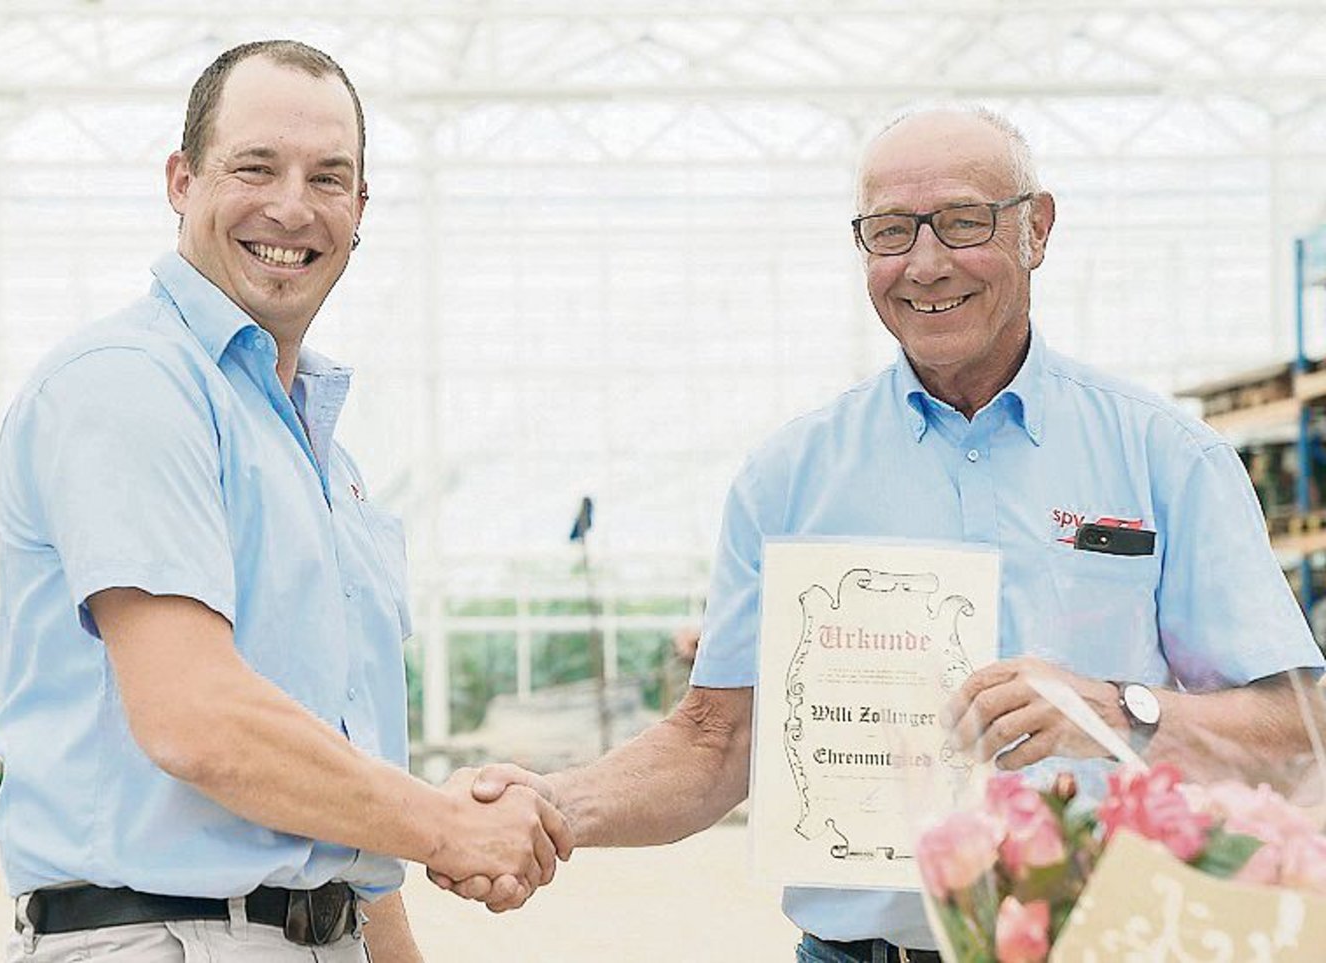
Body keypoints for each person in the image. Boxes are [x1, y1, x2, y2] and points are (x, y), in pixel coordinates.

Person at [439, 106, 1326, 961]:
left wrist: (1118, 711)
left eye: (963, 222)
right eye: (892, 231)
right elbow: (717, 742)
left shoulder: (1166, 458)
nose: (927, 263)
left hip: (1110, 944)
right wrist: (552, 804)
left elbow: (1298, 728)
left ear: (1038, 230)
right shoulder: (789, 478)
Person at [0, 40, 570, 962]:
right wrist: (448, 826)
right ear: (181, 180)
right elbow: (196, 717)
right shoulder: (130, 384)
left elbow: (347, 831)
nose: (292, 207)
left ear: (361, 208)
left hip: (320, 931)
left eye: (328, 177)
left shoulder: (327, 462)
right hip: (160, 933)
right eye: (255, 167)